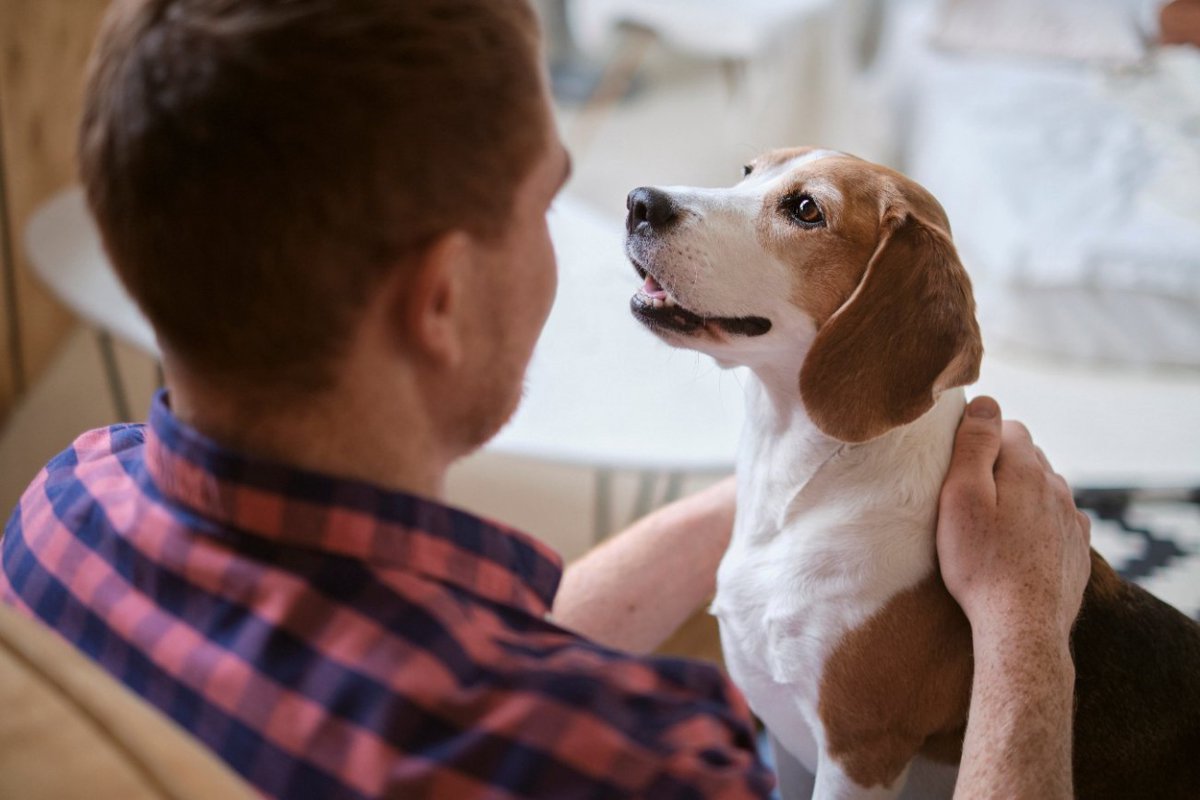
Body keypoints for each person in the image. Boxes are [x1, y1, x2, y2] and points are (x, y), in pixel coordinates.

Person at [0, 1, 1091, 797]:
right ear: (440, 299)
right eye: (542, 202)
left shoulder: (61, 501)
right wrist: (1024, 628)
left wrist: (788, 487)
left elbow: (475, 632)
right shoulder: (632, 756)